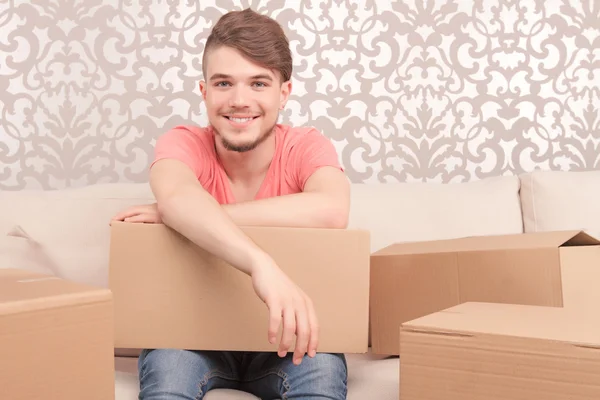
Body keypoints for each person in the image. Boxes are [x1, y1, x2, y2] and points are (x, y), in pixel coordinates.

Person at [111, 7, 351, 400]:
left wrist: (182, 217)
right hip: (190, 337)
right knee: (167, 376)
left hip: (290, 341)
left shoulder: (306, 146)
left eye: (258, 83)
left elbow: (331, 209)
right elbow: (177, 196)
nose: (240, 101)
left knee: (322, 371)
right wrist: (262, 266)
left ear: (283, 92)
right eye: (224, 83)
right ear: (204, 91)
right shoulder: (183, 142)